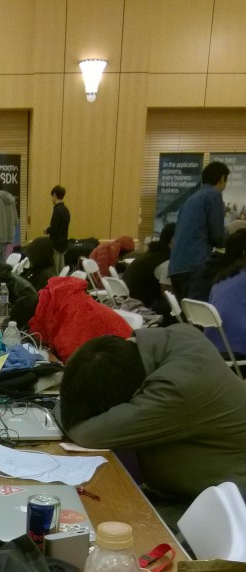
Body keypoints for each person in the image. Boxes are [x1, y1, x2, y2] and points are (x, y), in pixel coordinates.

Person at [58, 325, 246, 523]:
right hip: (182, 488)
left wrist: (67, 410)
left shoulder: (175, 390)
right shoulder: (170, 338)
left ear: (135, 395)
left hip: (221, 506)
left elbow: (89, 434)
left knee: (107, 523)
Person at [168, 160, 229, 301]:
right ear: (222, 179)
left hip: (176, 267)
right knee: (199, 319)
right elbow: (217, 236)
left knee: (187, 315)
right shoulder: (213, 195)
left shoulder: (191, 199)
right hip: (195, 266)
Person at [123, 223, 175, 309]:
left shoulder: (151, 253)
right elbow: (167, 296)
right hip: (141, 307)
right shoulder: (166, 260)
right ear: (173, 239)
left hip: (127, 302)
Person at [45, 185, 70, 274]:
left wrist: (47, 230)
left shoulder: (57, 210)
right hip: (64, 243)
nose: (52, 199)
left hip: (55, 244)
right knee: (62, 270)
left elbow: (54, 228)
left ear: (55, 195)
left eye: (52, 196)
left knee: (55, 270)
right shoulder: (66, 210)